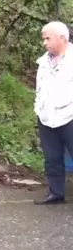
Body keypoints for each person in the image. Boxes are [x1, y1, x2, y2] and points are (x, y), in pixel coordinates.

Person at [33, 21, 73, 205]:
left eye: (48, 38)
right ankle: (56, 193)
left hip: (70, 115)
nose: (45, 43)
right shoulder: (43, 62)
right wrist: (38, 109)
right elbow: (39, 88)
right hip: (47, 116)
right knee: (52, 158)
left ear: (62, 39)